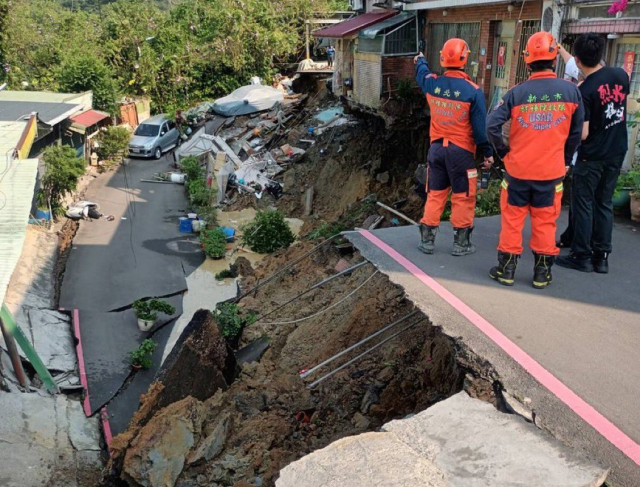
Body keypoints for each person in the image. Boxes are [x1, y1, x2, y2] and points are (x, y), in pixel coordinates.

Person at [486, 32, 584, 289]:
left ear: (527, 60)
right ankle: (542, 273)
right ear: (555, 59)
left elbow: (491, 125)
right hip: (551, 174)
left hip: (517, 172)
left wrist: (504, 153)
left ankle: (506, 270)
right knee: (545, 222)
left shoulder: (517, 93)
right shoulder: (572, 92)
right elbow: (575, 134)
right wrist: (564, 160)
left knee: (512, 220)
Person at [556, 34, 629, 274]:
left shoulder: (584, 91)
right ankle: (602, 257)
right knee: (604, 203)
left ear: (577, 61)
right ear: (601, 55)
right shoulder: (619, 75)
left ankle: (581, 256)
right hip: (617, 151)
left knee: (584, 204)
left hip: (592, 156)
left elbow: (584, 134)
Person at [414, 39, 493, 256]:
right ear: (465, 58)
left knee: (435, 193)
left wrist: (420, 60)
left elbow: (422, 73)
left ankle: (427, 240)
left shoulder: (432, 84)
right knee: (463, 196)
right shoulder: (473, 91)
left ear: (442, 58)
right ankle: (461, 244)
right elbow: (479, 130)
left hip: (437, 149)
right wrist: (487, 152)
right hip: (462, 153)